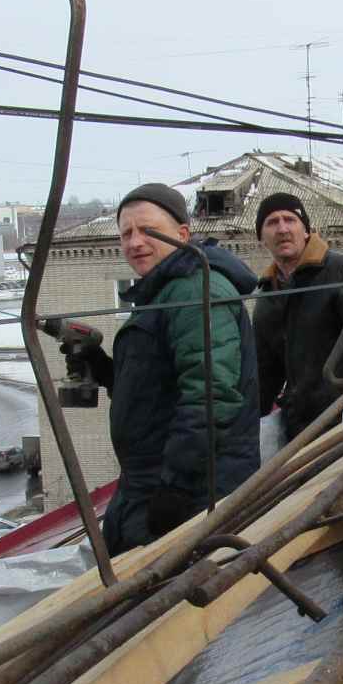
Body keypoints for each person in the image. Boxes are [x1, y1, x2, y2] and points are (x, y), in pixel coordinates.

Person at [54, 183, 263, 550]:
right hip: (148, 484)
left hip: (195, 490)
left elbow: (212, 397)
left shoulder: (197, 292)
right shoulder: (163, 292)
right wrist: (102, 369)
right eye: (126, 233)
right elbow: (158, 392)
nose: (135, 242)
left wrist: (175, 489)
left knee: (164, 600)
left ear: (183, 234)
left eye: (148, 230)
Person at [251, 191, 343, 440]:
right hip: (301, 430)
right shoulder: (268, 297)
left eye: (290, 219)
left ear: (306, 230)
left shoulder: (342, 272)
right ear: (261, 237)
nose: (282, 228)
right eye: (272, 222)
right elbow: (264, 378)